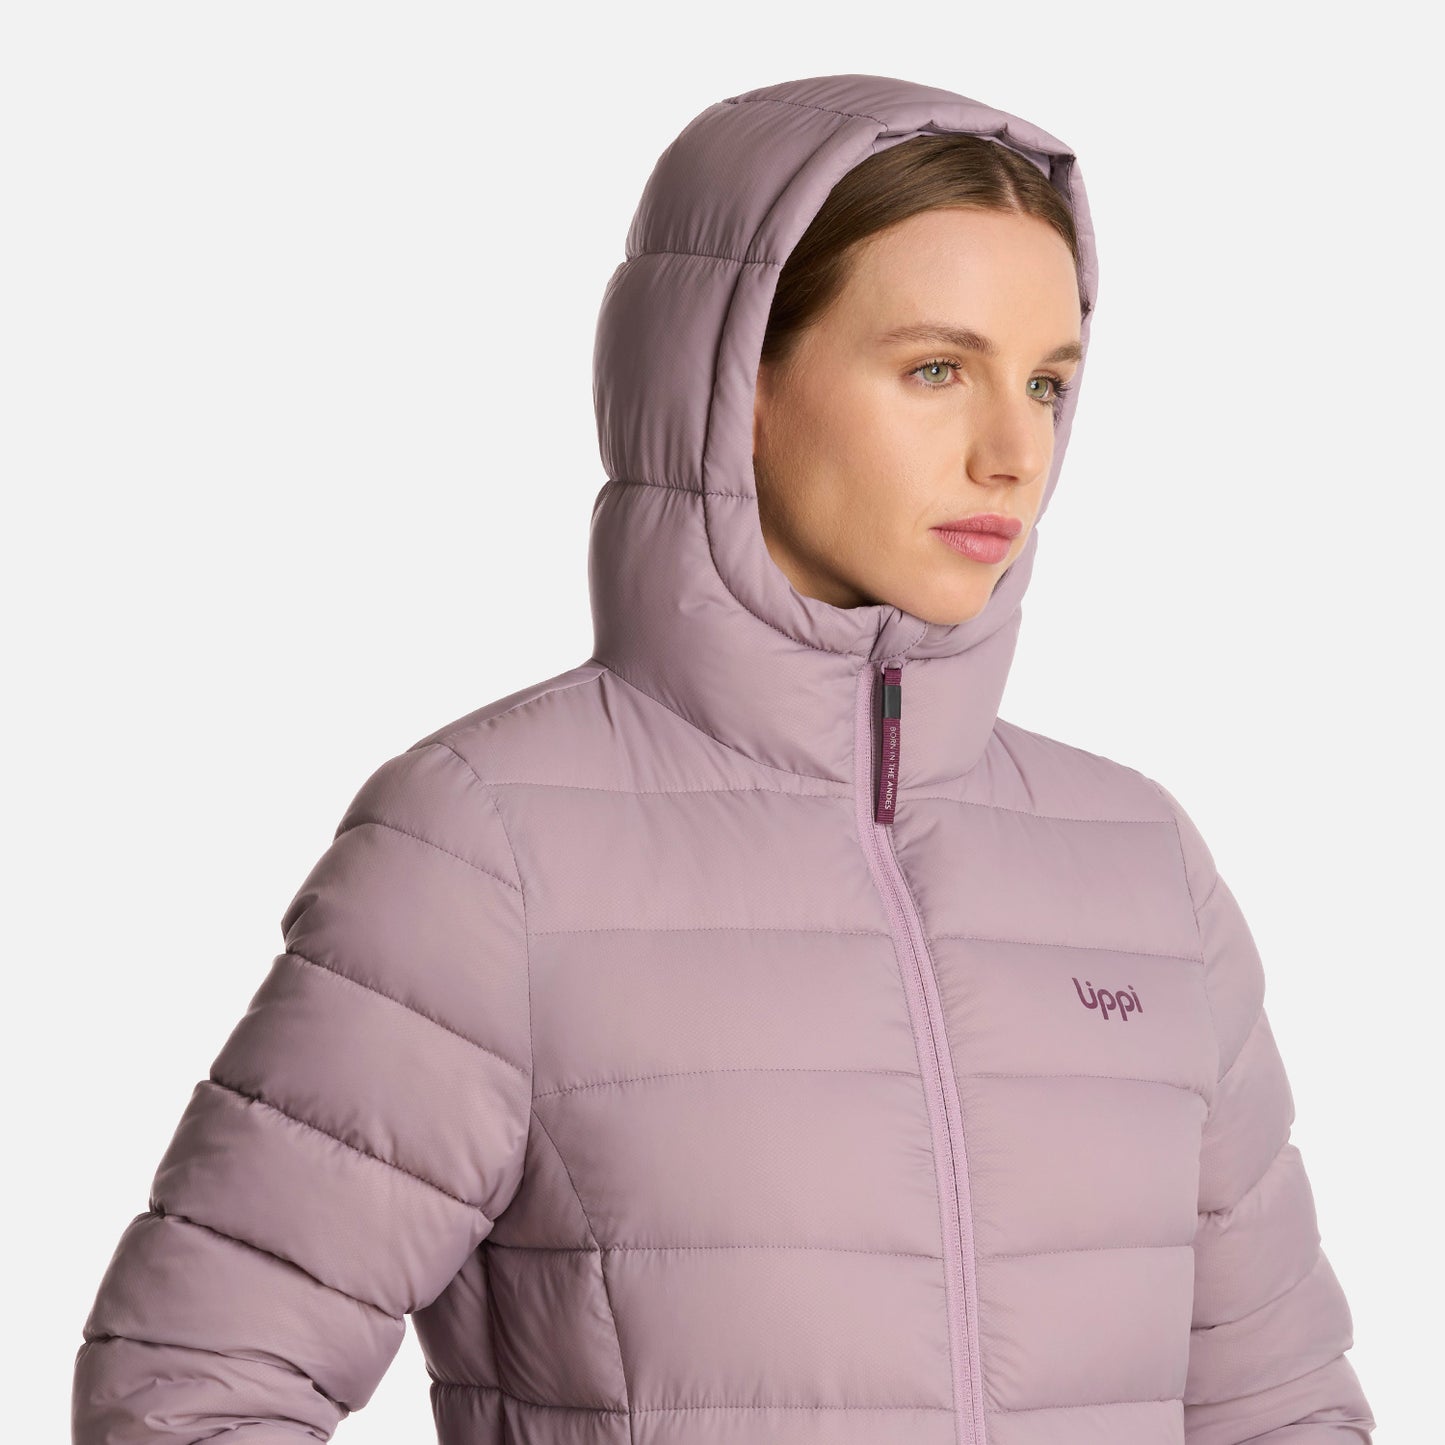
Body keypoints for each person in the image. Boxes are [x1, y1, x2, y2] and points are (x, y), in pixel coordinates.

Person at [73, 73, 1376, 1445]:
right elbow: (191, 1393)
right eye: (935, 370)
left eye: (1046, 383)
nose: (1013, 452)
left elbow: (1284, 1412)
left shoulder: (1138, 868)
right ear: (730, 378)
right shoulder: (491, 847)